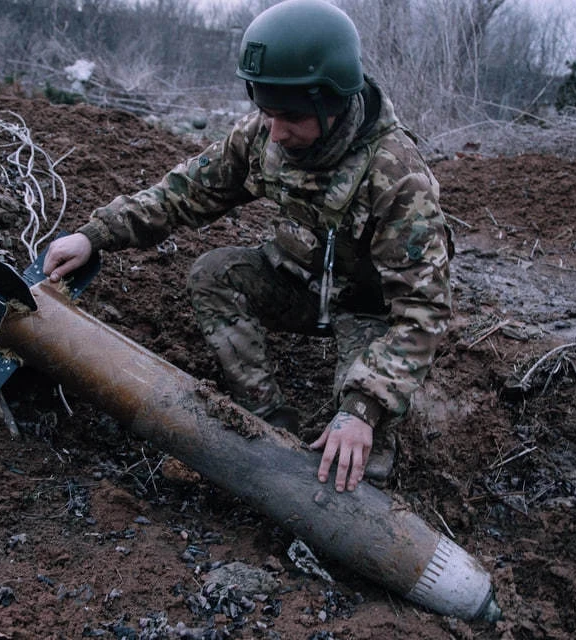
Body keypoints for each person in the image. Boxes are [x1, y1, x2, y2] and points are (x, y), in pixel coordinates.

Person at [43, 0, 454, 493]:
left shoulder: (398, 176)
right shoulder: (265, 134)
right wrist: (95, 234)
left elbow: (422, 312)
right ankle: (268, 424)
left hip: (369, 312)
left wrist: (363, 407)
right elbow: (186, 192)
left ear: (331, 102)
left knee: (363, 456)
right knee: (214, 274)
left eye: (291, 118)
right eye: (266, 112)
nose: (275, 132)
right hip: (297, 284)